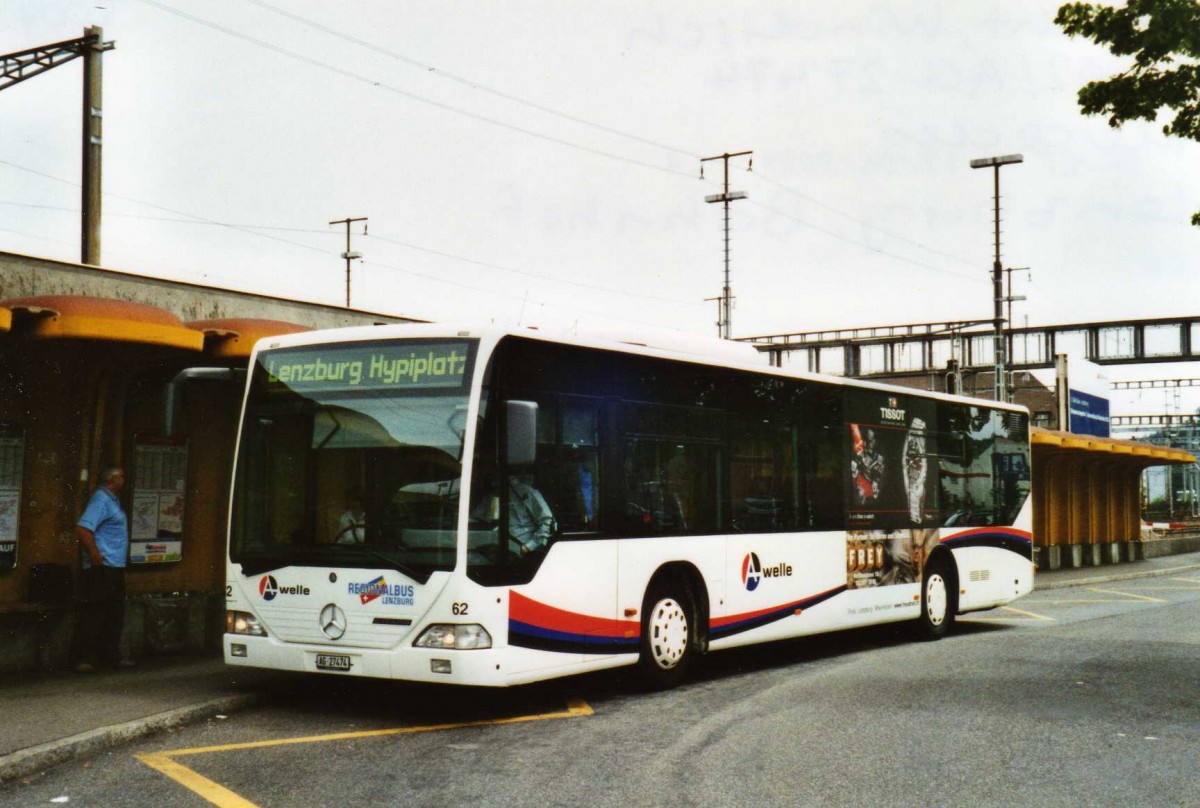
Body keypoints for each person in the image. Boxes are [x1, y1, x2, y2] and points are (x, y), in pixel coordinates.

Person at [74, 464, 134, 672]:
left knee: (114, 612)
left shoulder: (113, 501)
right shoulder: (101, 499)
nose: (124, 480)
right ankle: (87, 658)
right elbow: (83, 528)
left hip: (114, 565)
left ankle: (110, 656)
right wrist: (94, 554)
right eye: (121, 476)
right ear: (112, 479)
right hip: (103, 565)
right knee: (96, 612)